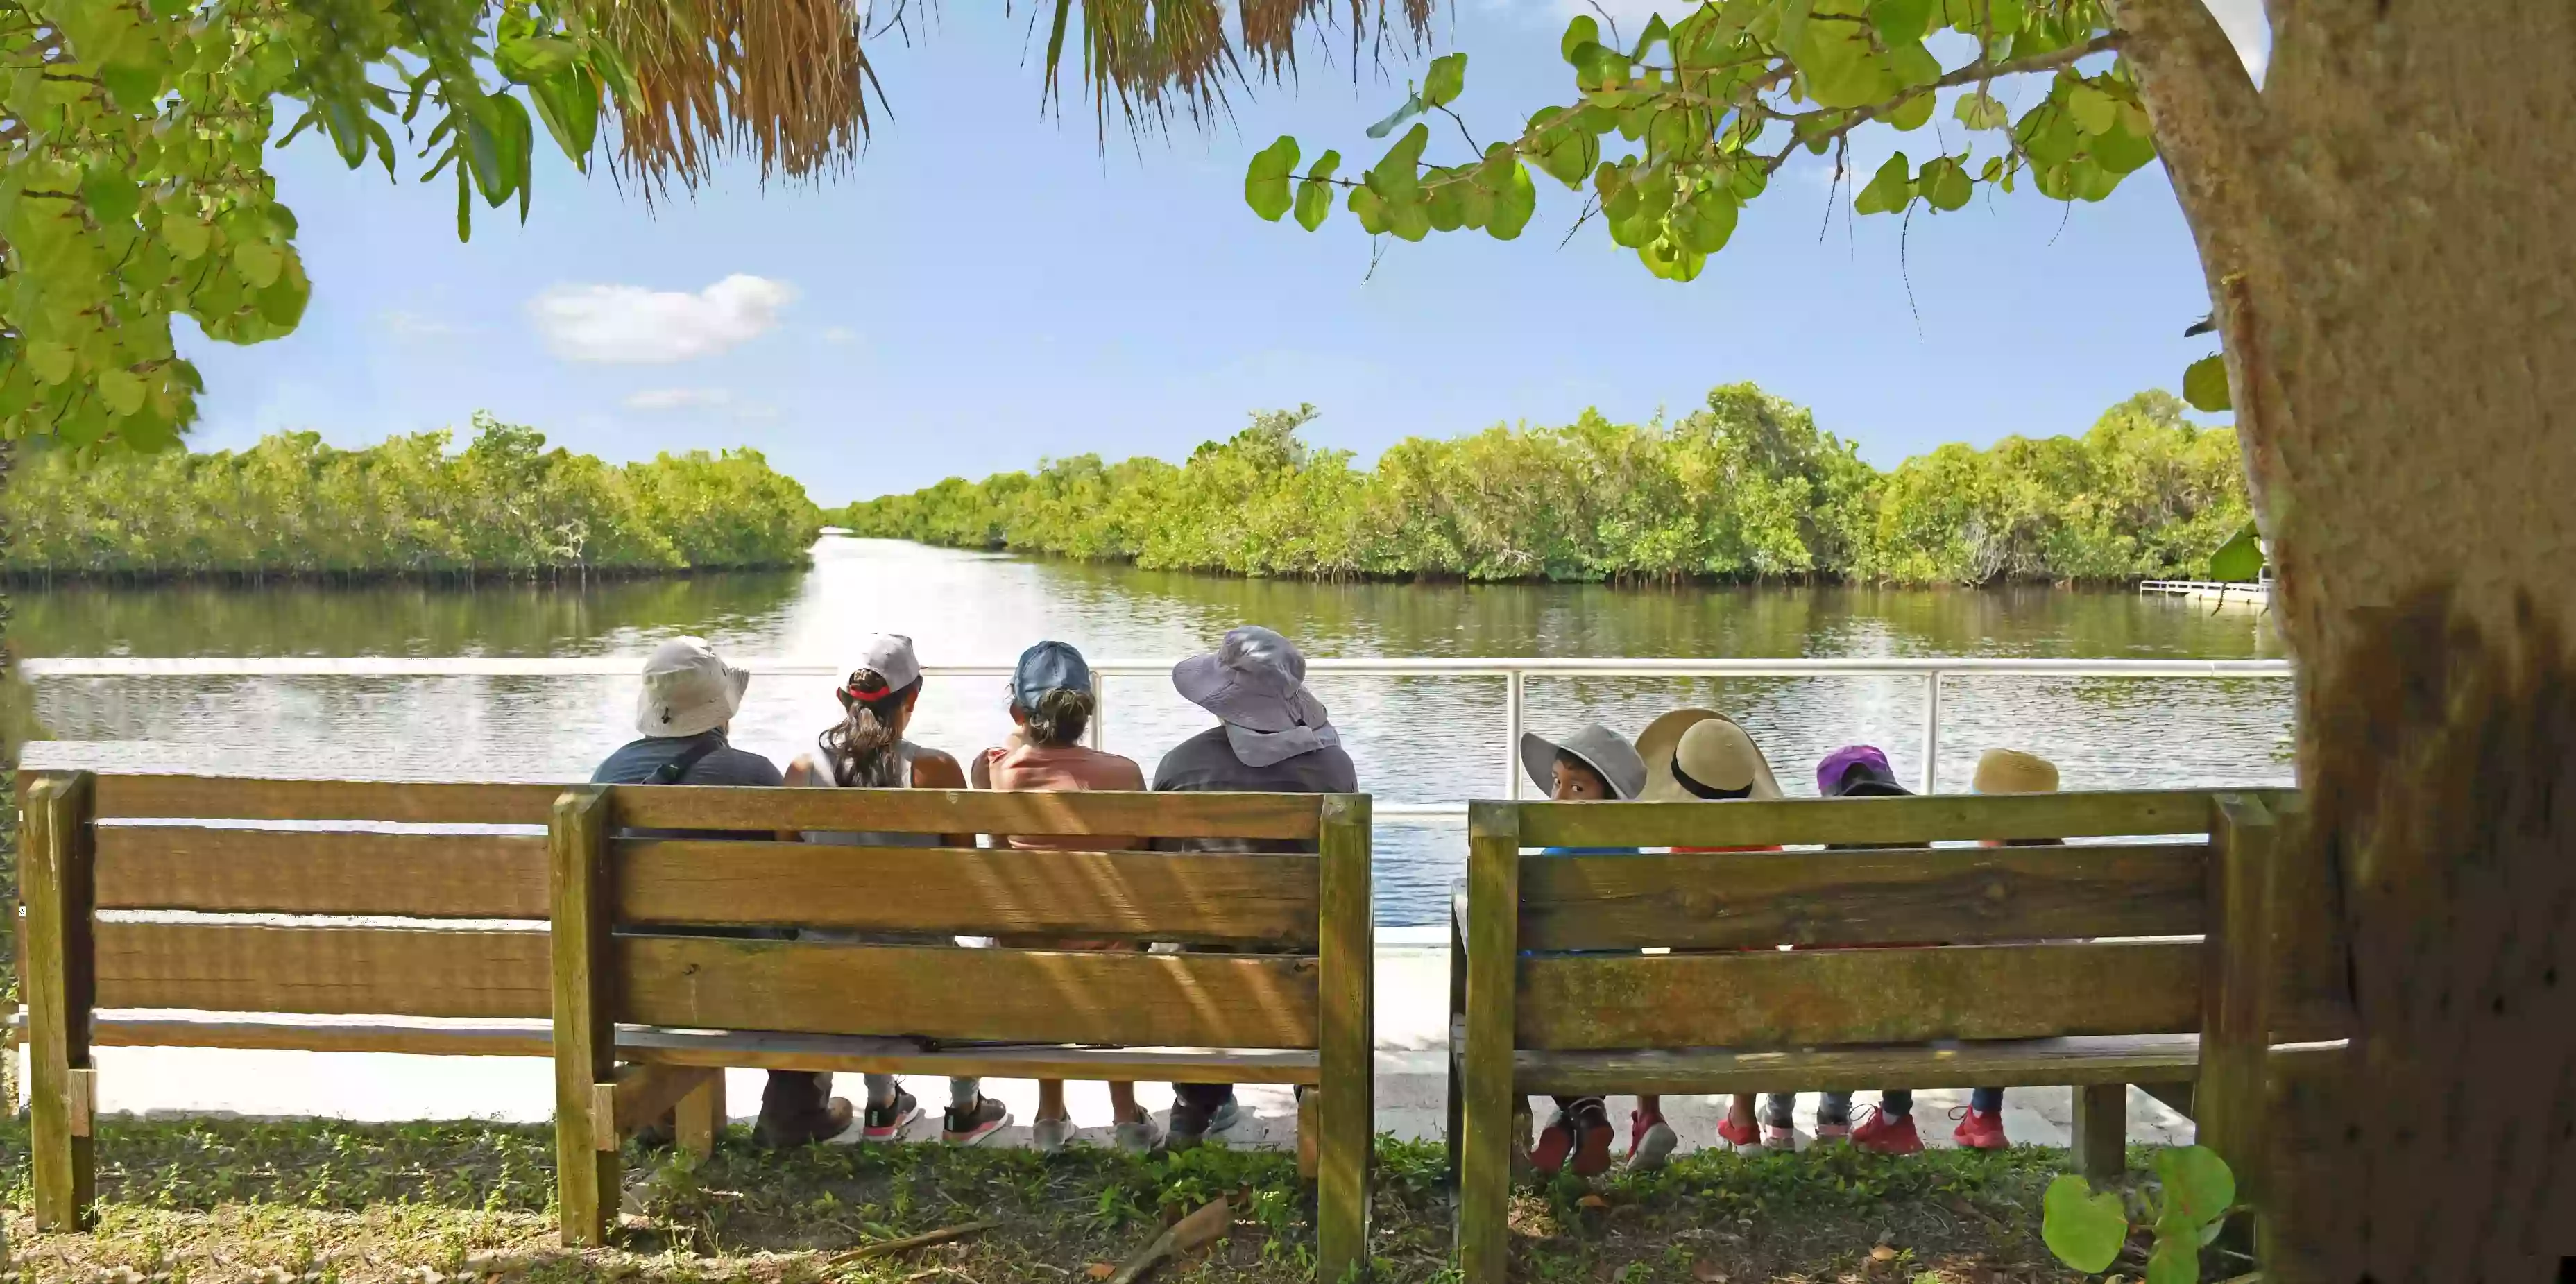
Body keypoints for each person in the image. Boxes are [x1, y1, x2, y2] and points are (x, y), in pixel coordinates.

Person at [591, 637, 855, 1148]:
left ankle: (659, 1113)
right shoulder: (753, 774)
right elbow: (795, 883)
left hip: (634, 984)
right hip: (742, 986)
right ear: (721, 708)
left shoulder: (607, 776)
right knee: (803, 948)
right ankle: (792, 1110)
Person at [782, 634, 1013, 1147]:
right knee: (944, 951)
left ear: (841, 698)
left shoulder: (800, 772)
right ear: (912, 697)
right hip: (921, 969)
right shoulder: (934, 771)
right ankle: (963, 1107)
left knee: (856, 940)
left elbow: (787, 872)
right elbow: (966, 875)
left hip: (825, 975)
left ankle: (882, 1104)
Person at [1150, 626, 1358, 1149]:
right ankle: (1312, 1093)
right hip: (1299, 977)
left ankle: (1194, 1105)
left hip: (1197, 974)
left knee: (1203, 940)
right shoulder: (1333, 767)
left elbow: (1156, 876)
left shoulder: (1179, 765)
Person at [976, 640, 1163, 1154]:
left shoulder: (994, 770)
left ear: (1019, 709)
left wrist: (1023, 728)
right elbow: (1144, 861)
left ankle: (1049, 1116)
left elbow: (997, 840)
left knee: (1039, 941)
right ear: (1086, 710)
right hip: (1113, 955)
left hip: (1030, 956)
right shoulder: (1124, 773)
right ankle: (1125, 1118)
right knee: (1112, 940)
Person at [1844, 746, 2056, 1154]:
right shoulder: (2074, 869)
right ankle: (1985, 1116)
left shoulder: (1966, 873)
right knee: (2007, 989)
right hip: (2046, 1016)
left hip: (1963, 1017)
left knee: (1909, 981)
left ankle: (1894, 1118)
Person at [1635, 710, 1787, 1158]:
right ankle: (1742, 1120)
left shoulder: (1681, 848)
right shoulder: (1772, 848)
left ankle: (1648, 1115)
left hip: (1686, 995)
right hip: (1759, 998)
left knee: (1640, 996)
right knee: (1756, 985)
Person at [1515, 723, 1647, 1176]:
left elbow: (1529, 938)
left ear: (1608, 798)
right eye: (1556, 782)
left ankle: (1582, 1115)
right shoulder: (1634, 859)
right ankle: (1578, 1120)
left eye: (1576, 786)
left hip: (1551, 1010)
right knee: (1589, 1013)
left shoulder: (1554, 859)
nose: (1559, 797)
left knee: (1528, 995)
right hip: (1621, 1007)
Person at [1813, 745, 1925, 1155]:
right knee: (1905, 997)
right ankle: (1896, 1120)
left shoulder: (1831, 866)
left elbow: (1810, 943)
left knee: (1840, 1003)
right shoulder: (1922, 856)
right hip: (1915, 1014)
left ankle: (1833, 1120)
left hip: (1846, 1013)